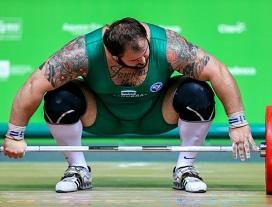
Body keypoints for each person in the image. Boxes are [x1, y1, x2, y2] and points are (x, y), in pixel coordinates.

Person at [3, 17, 257, 193]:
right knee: (59, 98)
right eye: (136, 60)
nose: (145, 60)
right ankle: (77, 170)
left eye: (146, 52)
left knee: (197, 92)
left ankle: (186, 169)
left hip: (156, 113)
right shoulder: (81, 53)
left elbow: (218, 72)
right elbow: (34, 85)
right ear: (113, 56)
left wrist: (238, 122)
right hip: (102, 114)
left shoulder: (169, 46)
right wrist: (15, 135)